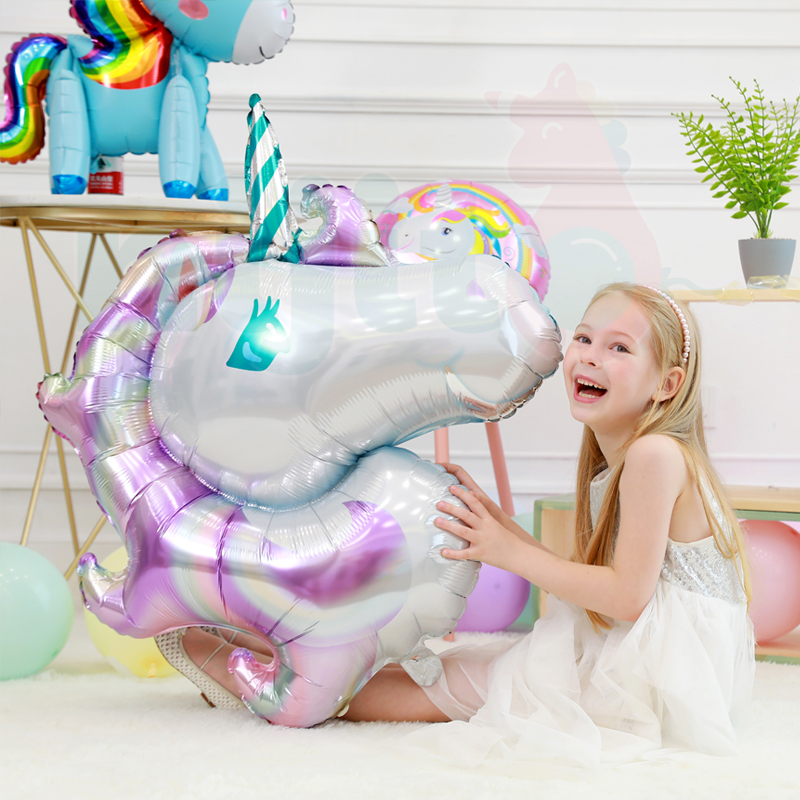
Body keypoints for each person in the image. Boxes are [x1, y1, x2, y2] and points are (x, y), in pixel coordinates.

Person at [159, 282, 755, 768]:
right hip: (643, 653)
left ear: (667, 385)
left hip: (656, 678)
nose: (591, 355)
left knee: (425, 689)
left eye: (619, 347)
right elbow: (597, 581)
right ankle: (264, 644)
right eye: (583, 337)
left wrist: (506, 551)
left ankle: (231, 669)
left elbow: (626, 597)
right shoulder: (627, 455)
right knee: (462, 667)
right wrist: (498, 524)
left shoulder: (654, 455)